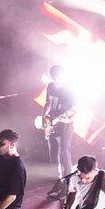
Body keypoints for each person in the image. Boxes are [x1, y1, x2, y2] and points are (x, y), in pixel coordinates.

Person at [42, 65, 75, 199]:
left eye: (58, 76)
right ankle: (58, 183)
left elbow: (74, 110)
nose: (55, 79)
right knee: (53, 153)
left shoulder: (70, 89)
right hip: (52, 123)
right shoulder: (50, 86)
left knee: (64, 153)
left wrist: (57, 120)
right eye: (53, 76)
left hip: (65, 124)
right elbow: (48, 103)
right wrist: (45, 118)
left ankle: (68, 186)